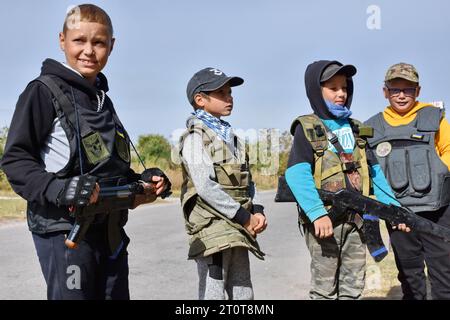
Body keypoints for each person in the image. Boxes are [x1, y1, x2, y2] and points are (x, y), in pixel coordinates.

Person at [1, 4, 169, 300]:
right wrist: (61, 189)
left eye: (99, 42)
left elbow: (108, 167)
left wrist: (146, 179)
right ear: (62, 40)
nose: (89, 50)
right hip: (66, 232)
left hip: (112, 234)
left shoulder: (103, 100)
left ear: (111, 46)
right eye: (80, 40)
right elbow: (16, 160)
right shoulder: (42, 91)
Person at [285, 60, 406, 300]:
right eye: (333, 88)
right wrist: (317, 213)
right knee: (325, 289)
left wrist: (395, 209)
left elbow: (374, 172)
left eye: (345, 87)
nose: (341, 93)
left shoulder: (356, 129)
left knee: (353, 287)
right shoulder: (307, 127)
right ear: (315, 91)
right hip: (325, 222)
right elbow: (296, 173)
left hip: (357, 222)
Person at [178, 67, 267, 300]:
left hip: (238, 225)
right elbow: (206, 187)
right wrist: (245, 217)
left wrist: (257, 210)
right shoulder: (195, 138)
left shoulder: (231, 137)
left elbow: (248, 179)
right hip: (214, 227)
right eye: (221, 93)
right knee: (213, 291)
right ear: (200, 100)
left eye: (230, 92)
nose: (230, 98)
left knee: (243, 290)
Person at [365, 62, 450, 300]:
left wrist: (439, 174)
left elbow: (448, 150)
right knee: (410, 276)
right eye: (395, 89)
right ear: (385, 92)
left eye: (408, 89)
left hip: (438, 212)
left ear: (418, 91)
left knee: (444, 275)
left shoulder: (435, 118)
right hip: (398, 215)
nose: (401, 95)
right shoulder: (371, 127)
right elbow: (368, 168)